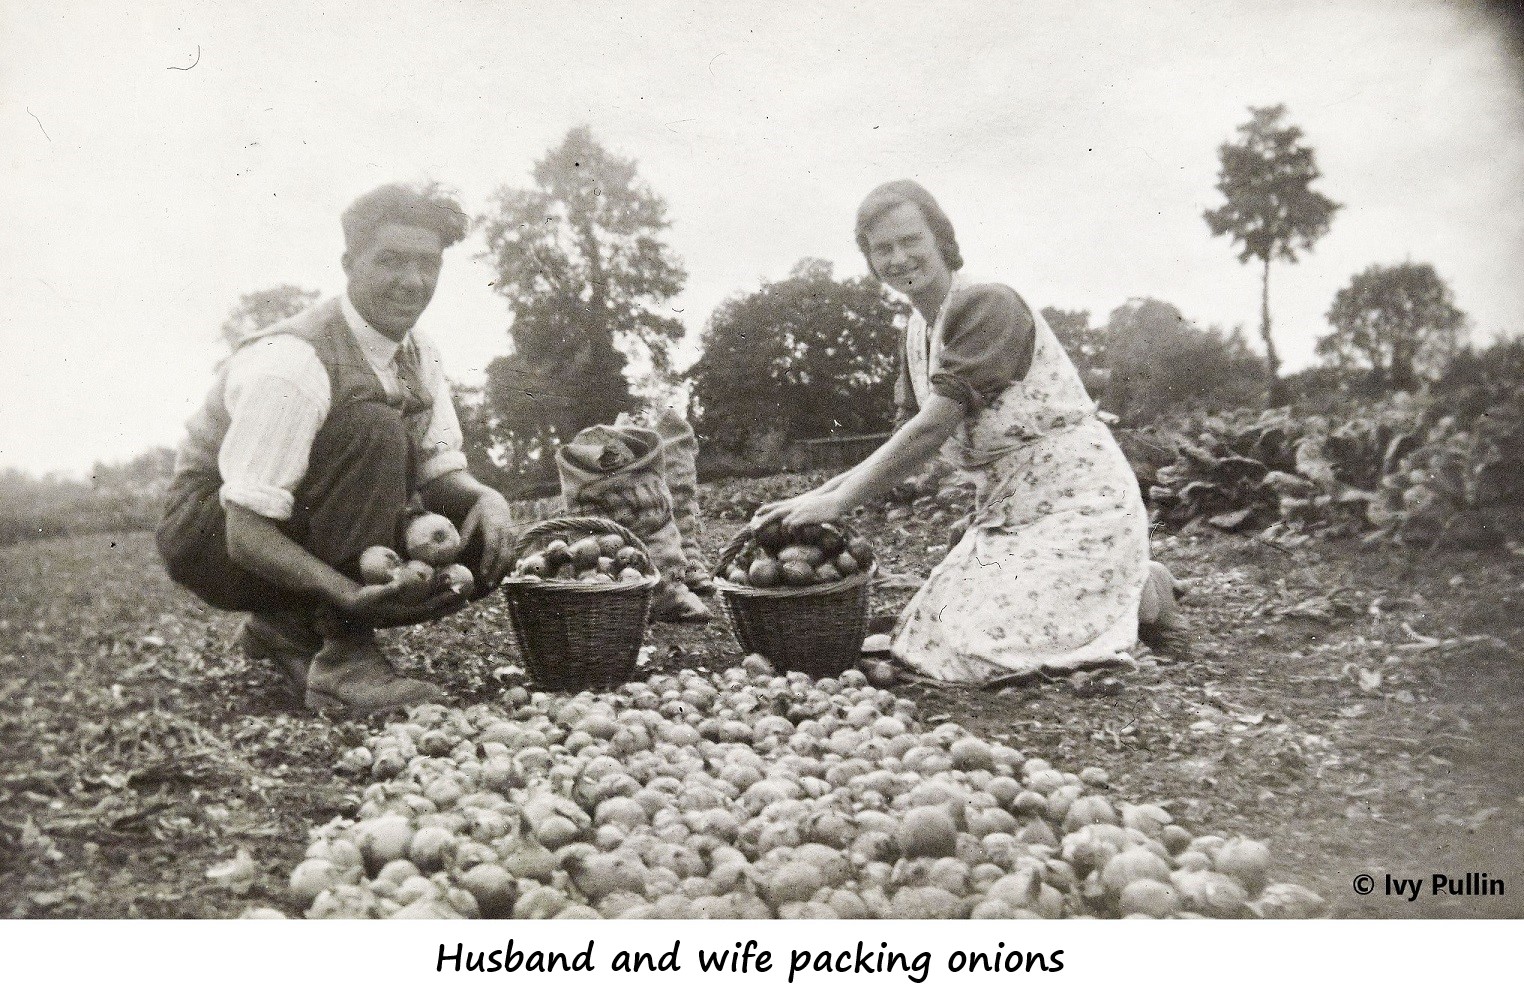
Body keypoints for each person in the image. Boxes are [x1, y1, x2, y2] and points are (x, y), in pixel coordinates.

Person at [755, 180, 1171, 686]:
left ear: (941, 240)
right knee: (920, 636)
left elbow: (933, 427)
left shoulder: (987, 305)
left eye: (912, 241)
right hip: (1008, 512)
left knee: (971, 650)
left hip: (1080, 502)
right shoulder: (917, 330)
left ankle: (1139, 584)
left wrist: (836, 504)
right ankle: (1131, 585)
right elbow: (905, 434)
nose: (900, 258)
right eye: (882, 249)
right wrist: (816, 496)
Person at [158, 182, 519, 717]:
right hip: (211, 531)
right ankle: (344, 660)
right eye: (391, 261)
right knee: (371, 426)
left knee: (475, 540)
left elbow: (440, 471)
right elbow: (245, 532)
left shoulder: (420, 352)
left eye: (428, 264)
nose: (413, 281)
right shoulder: (294, 363)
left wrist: (485, 498)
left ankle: (285, 623)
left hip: (286, 522)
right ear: (349, 263)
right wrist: (348, 597)